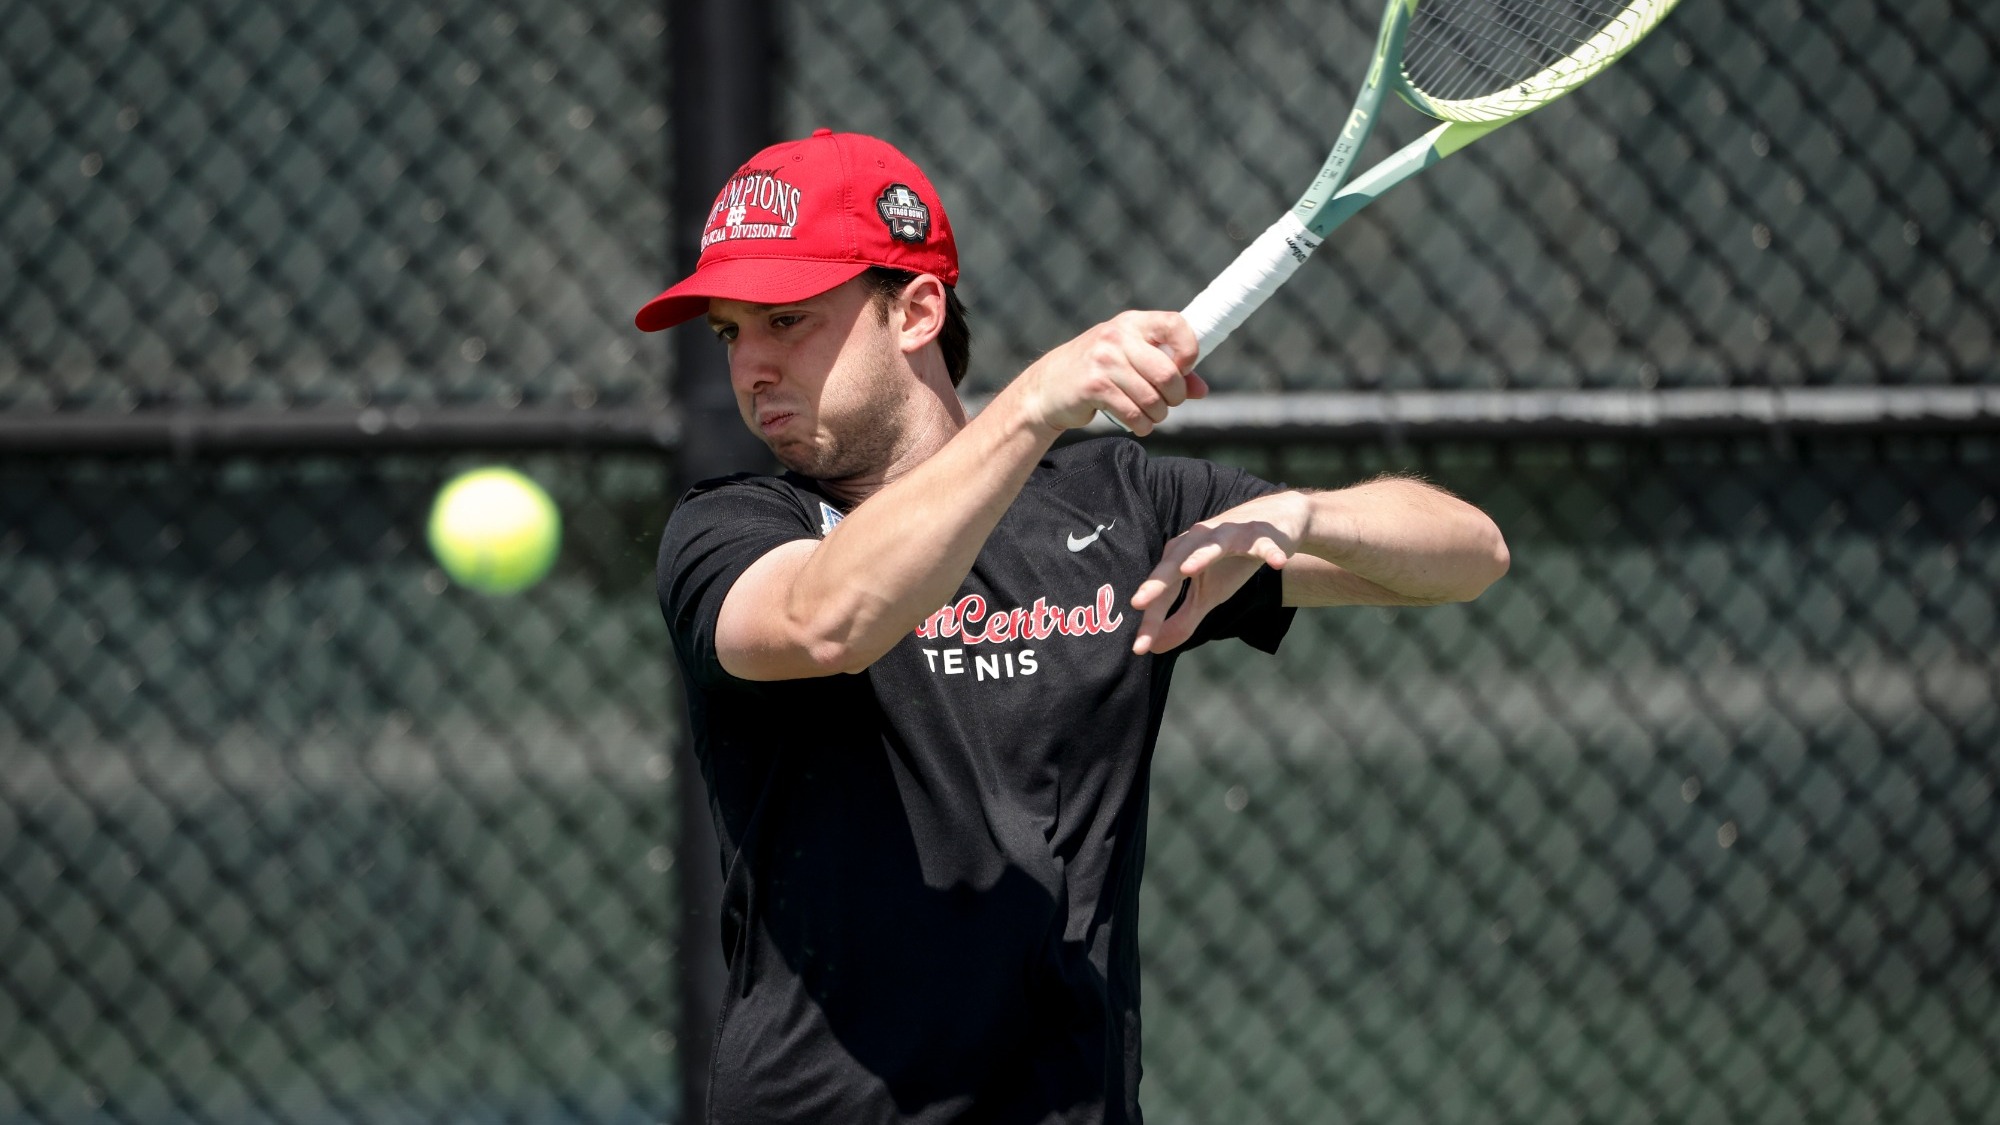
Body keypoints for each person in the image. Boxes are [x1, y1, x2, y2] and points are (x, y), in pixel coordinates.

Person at [637, 129, 1508, 1125]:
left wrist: (1300, 516)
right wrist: (1034, 404)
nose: (750, 366)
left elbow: (1465, 552)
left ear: (914, 310)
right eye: (728, 332)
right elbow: (828, 619)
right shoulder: (733, 529)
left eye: (786, 321)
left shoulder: (1118, 506)